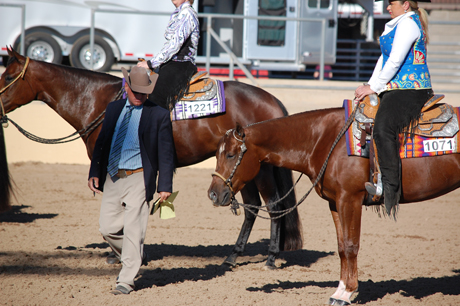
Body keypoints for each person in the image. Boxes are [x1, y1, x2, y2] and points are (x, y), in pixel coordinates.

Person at [88, 66, 175, 295]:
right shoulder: (114, 108)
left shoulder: (159, 114)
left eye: (144, 93)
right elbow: (103, 142)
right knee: (107, 228)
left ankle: (126, 280)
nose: (140, 96)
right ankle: (135, 254)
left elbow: (166, 153)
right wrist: (94, 172)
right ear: (126, 88)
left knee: (134, 230)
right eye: (136, 92)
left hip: (139, 177)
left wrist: (164, 186)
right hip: (113, 176)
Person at [354, 0, 432, 216]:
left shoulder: (407, 25)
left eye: (392, 3)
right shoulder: (400, 23)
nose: (388, 7)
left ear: (405, 4)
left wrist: (374, 87)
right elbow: (384, 59)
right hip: (397, 87)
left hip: (412, 89)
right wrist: (370, 87)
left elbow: (396, 60)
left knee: (383, 128)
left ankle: (388, 188)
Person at [137, 0, 199, 110]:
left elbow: (174, 45)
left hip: (181, 64)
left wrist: (151, 63)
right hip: (174, 62)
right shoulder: (180, 13)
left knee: (156, 93)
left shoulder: (187, 13)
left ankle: (161, 126)